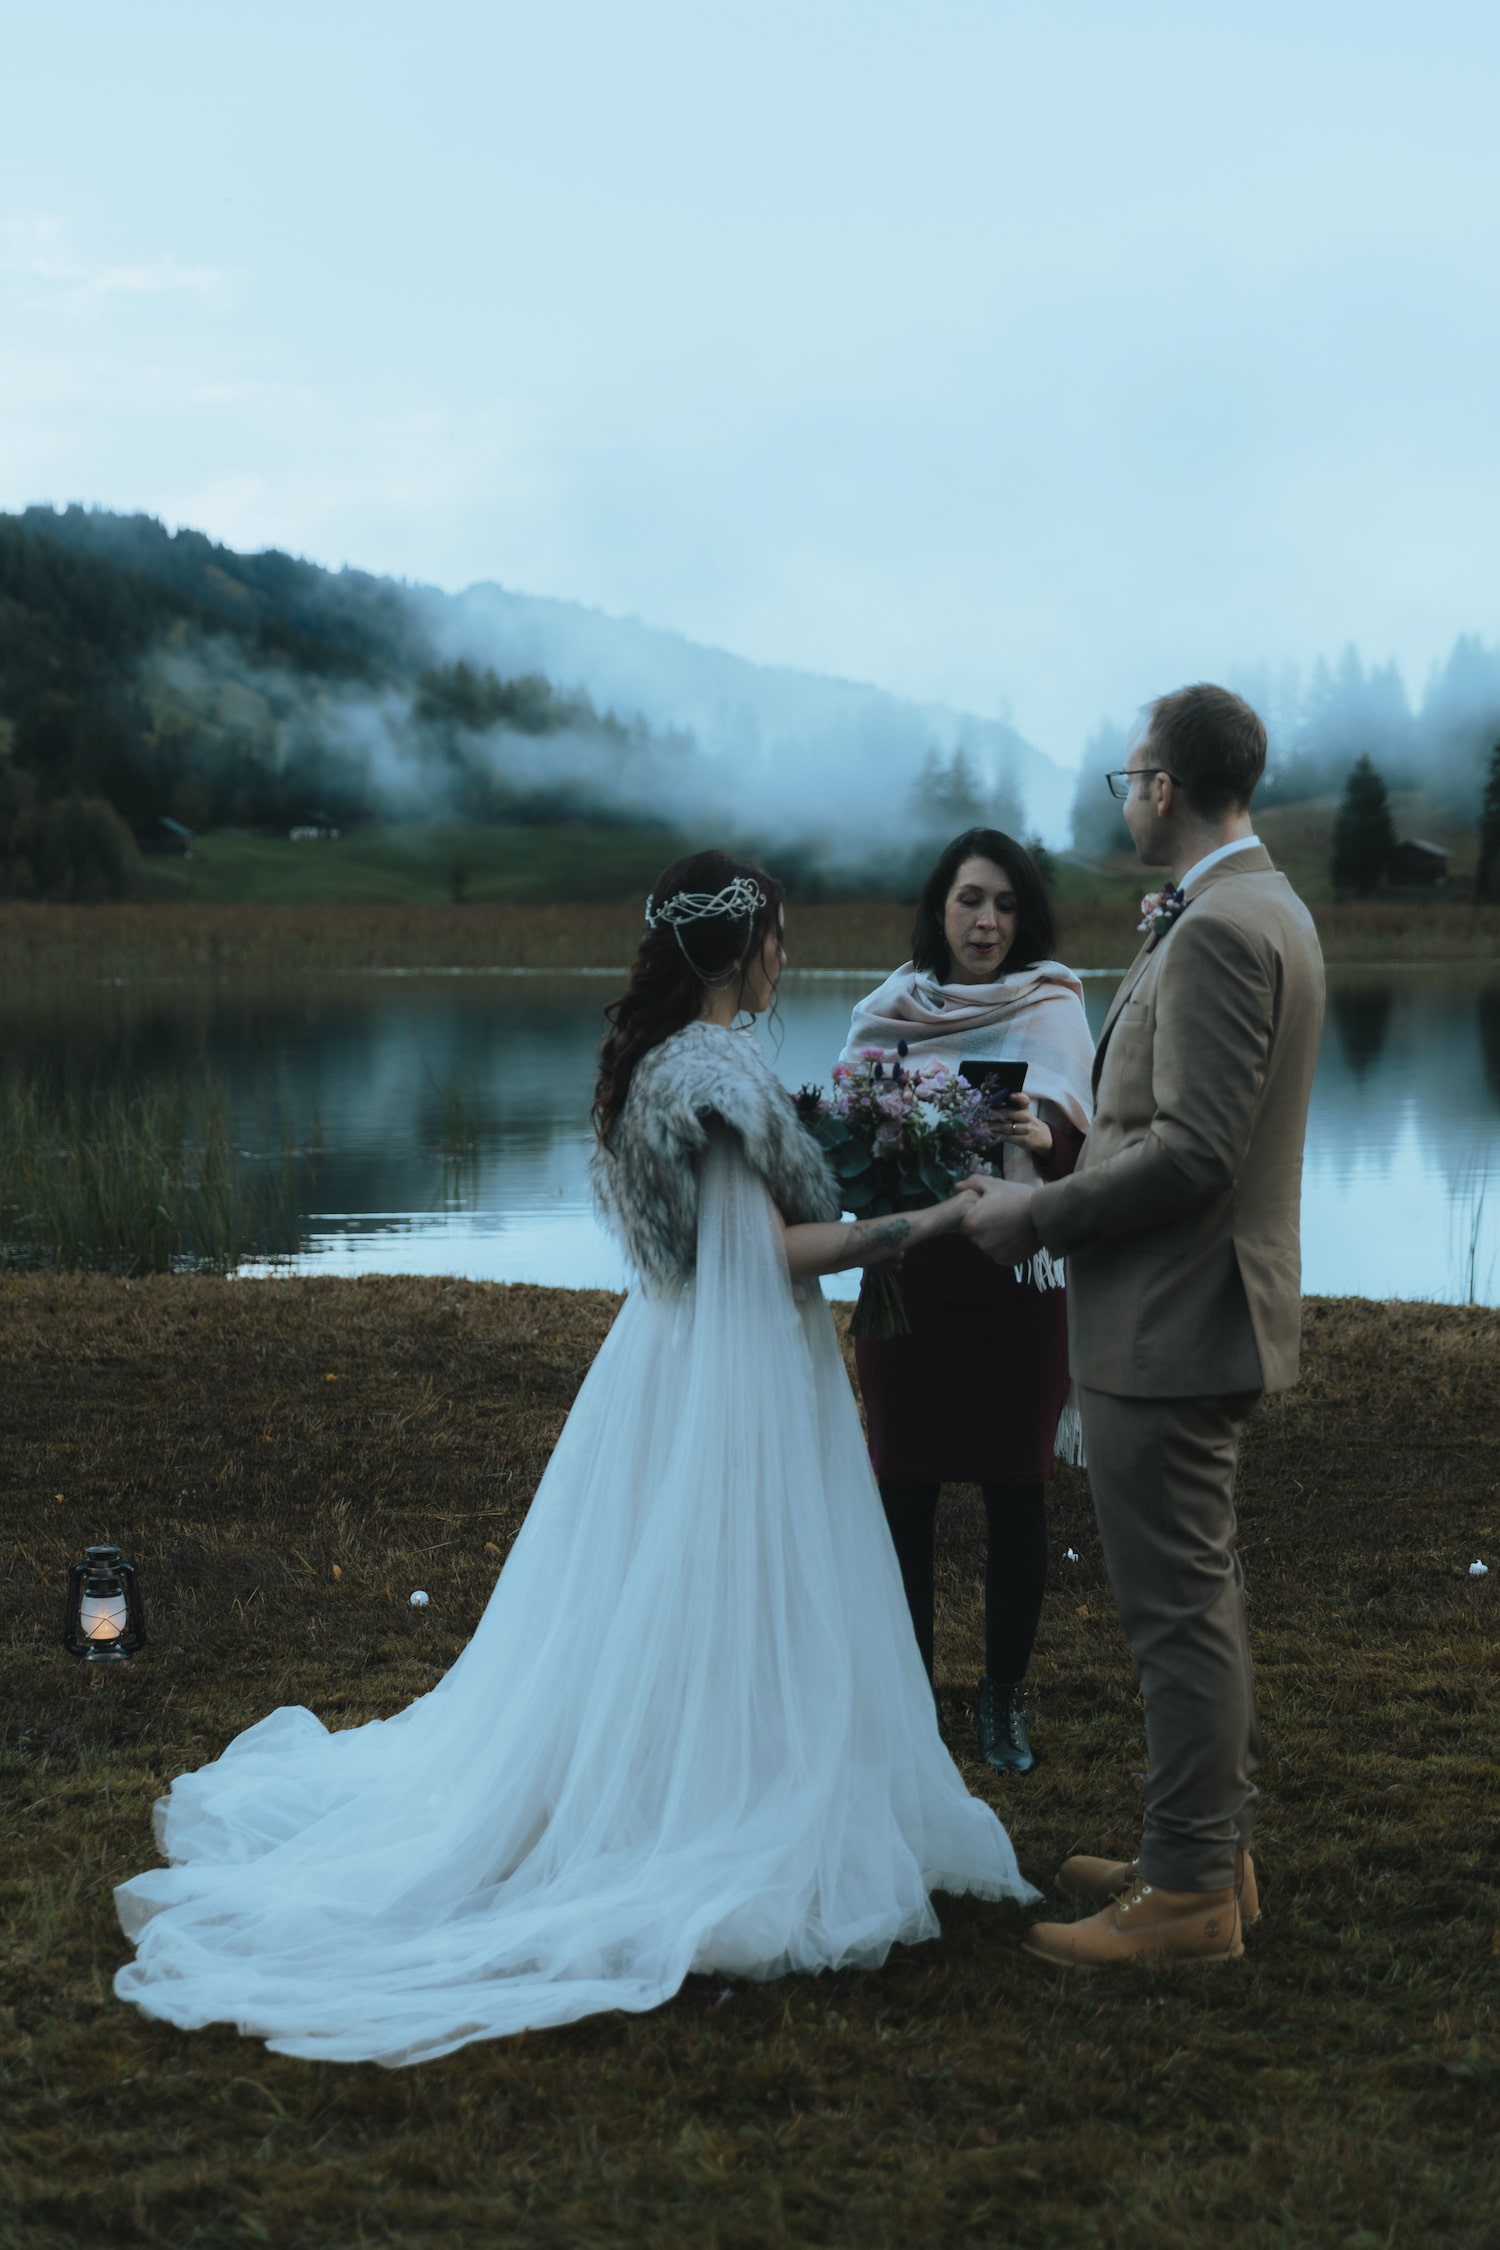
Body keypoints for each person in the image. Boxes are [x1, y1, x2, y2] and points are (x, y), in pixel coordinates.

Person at [113, 850, 1036, 2065]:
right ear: (736, 949)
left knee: (676, 1580)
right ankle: (710, 1800)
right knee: (720, 1569)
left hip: (682, 1352)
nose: (785, 957)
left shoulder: (682, 1060)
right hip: (732, 1365)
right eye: (777, 938)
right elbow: (768, 1254)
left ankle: (715, 1762)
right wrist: (932, 1220)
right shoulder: (709, 1073)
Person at [962, 686, 1325, 1969]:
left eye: (1128, 778)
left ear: (1166, 788)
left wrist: (1042, 1216)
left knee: (1176, 1608)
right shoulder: (1254, 904)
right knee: (1198, 1594)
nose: (1122, 798)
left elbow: (1195, 1153)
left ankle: (1183, 1900)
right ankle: (1205, 1846)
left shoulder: (1225, 926)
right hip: (1193, 1310)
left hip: (1173, 1319)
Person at [839, 830, 1094, 1773]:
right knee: (902, 1495)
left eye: (1006, 905)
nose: (987, 922)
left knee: (1015, 1496)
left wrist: (1044, 1137)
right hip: (911, 1284)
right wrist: (875, 1130)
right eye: (970, 901)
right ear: (938, 908)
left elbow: (1083, 1161)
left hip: (1015, 1289)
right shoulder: (887, 1012)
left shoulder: (1055, 1007)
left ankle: (1003, 1706)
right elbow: (849, 1151)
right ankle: (914, 1710)